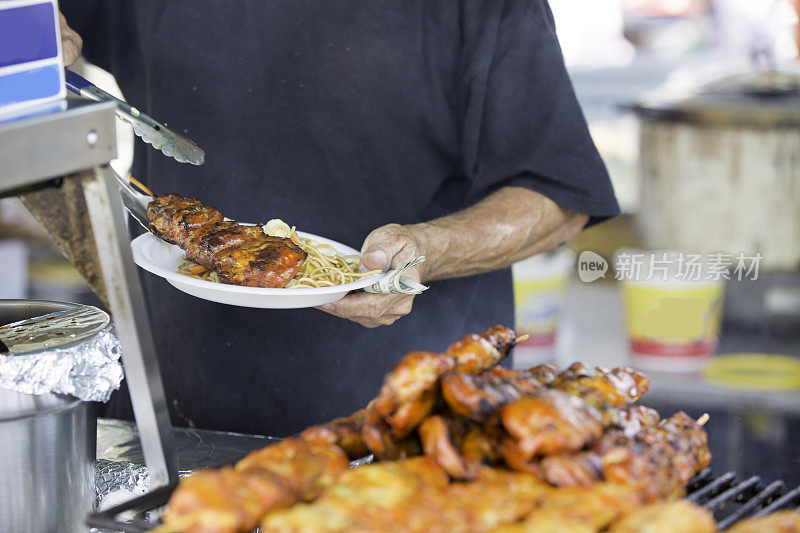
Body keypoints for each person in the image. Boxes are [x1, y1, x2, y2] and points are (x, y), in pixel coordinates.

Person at [59, 0, 620, 437]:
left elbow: (557, 192)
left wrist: (427, 247)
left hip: (398, 422)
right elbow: (47, 24)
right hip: (172, 407)